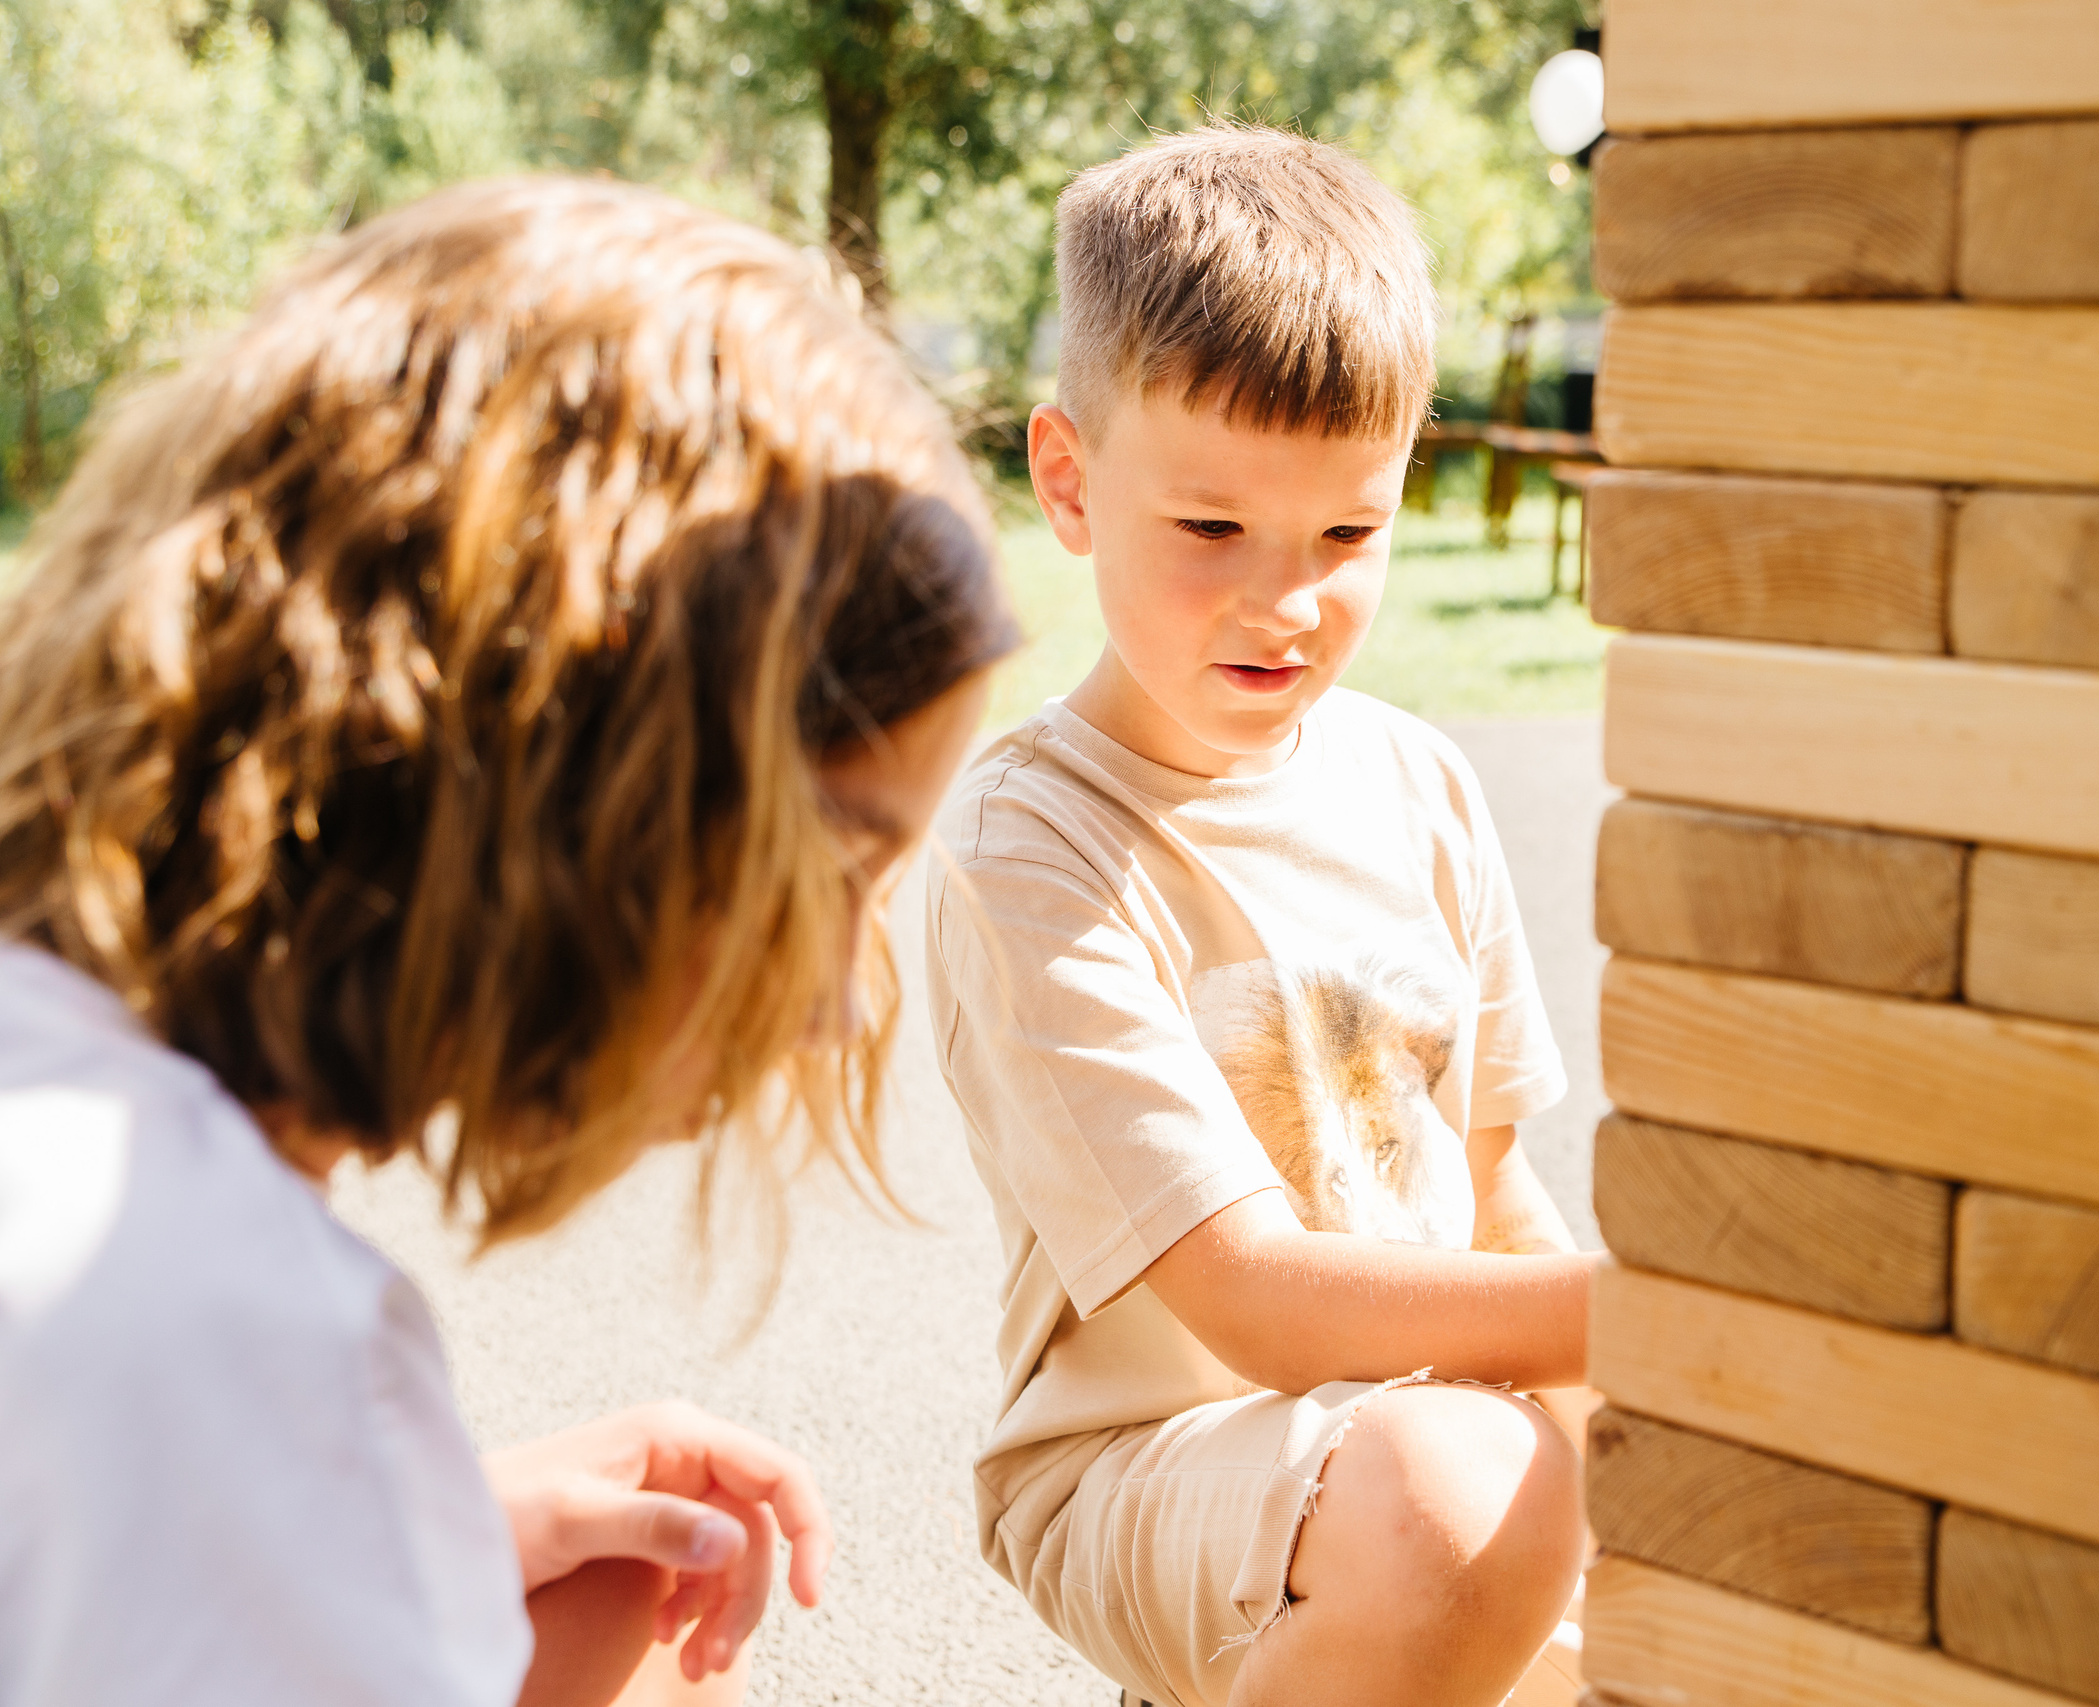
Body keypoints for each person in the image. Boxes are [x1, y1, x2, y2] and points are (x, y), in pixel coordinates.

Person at [0, 175, 1015, 1707]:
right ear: (570, 766)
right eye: (829, 870)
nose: (828, 1009)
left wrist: (424, 1529)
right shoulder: (236, 1338)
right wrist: (346, 1496)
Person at [926, 125, 1596, 1707]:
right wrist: (1660, 1324)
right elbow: (1252, 1295)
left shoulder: (1419, 786)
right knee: (1456, 1499)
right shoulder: (1036, 844)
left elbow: (1500, 1208)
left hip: (1435, 1447)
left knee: (1616, 1495)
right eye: (1214, 530)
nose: (1284, 603)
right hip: (1141, 1466)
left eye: (1348, 535)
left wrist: (1643, 1444)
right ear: (1071, 481)